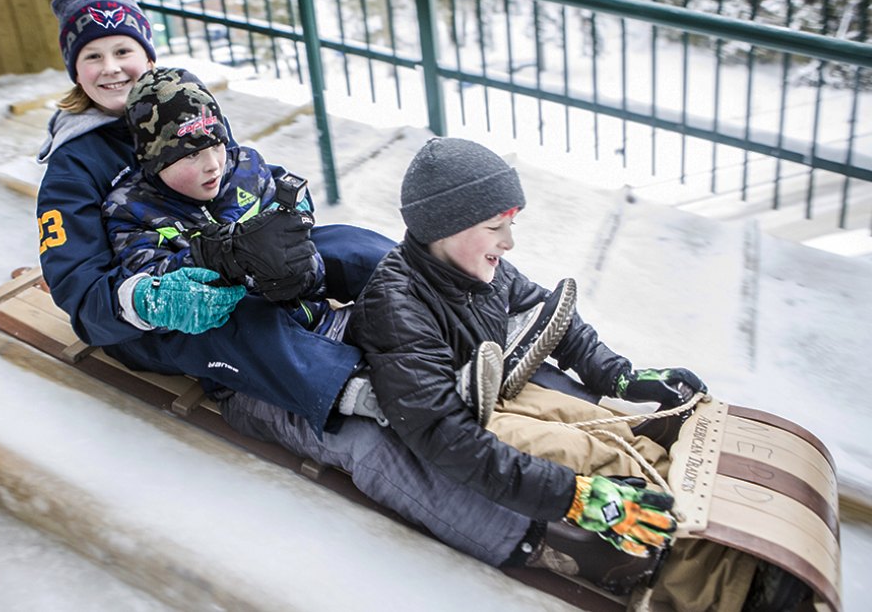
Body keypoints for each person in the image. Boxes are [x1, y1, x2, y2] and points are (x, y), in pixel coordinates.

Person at [34, 0, 588, 584]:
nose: (112, 67)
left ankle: (469, 311)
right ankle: (365, 395)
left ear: (146, 52)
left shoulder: (181, 106)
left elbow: (251, 183)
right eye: (94, 55)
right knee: (256, 335)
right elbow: (80, 292)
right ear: (73, 67)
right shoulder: (73, 166)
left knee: (352, 243)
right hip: (169, 317)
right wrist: (158, 295)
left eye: (123, 50)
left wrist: (288, 236)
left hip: (239, 270)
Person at [346, 137, 809, 611]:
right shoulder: (396, 305)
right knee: (587, 455)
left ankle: (720, 529)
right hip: (462, 416)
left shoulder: (482, 270)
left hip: (495, 390)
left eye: (511, 225)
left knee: (623, 436)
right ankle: (724, 588)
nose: (509, 242)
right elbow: (443, 435)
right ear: (445, 227)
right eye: (495, 228)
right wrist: (575, 498)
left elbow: (551, 319)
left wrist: (620, 377)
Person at [103, 65, 332, 336]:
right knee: (256, 326)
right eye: (191, 155)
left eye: (216, 145)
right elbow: (152, 278)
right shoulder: (131, 210)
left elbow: (292, 208)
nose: (213, 165)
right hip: (235, 325)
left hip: (306, 301)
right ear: (155, 160)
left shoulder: (246, 166)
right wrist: (216, 256)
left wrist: (297, 252)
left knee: (352, 245)